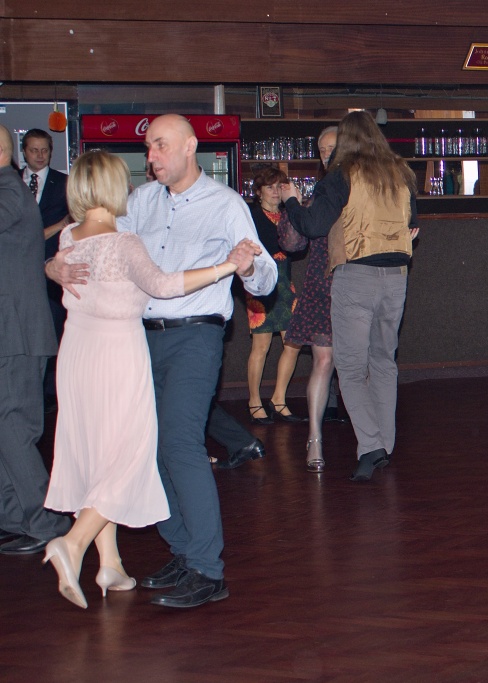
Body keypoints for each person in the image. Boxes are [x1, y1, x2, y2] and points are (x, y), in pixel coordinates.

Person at [47, 114, 277, 608]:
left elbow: (265, 278)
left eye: (160, 146)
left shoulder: (226, 204)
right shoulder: (139, 203)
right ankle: (185, 551)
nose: (151, 157)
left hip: (196, 335)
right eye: (148, 148)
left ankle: (209, 570)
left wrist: (248, 267)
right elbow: (93, 241)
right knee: (144, 449)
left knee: (178, 442)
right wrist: (53, 265)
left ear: (191, 146)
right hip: (137, 341)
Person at [282, 111, 419, 482]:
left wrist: (292, 202)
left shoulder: (341, 174)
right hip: (397, 277)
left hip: (356, 276)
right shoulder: (401, 173)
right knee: (384, 361)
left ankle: (371, 445)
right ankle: (384, 445)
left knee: (350, 366)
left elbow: (313, 226)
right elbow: (412, 223)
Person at [0, 124, 71, 556]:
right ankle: (15, 516)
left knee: (13, 425)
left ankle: (46, 521)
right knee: (6, 426)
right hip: (13, 332)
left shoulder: (8, 191)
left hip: (18, 334)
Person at [280, 125, 348, 473]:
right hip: (323, 284)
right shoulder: (319, 194)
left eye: (331, 147)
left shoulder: (359, 188)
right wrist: (290, 205)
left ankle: (372, 439)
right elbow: (293, 244)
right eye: (321, 149)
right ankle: (315, 438)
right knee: (323, 361)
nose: (326, 154)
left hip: (356, 283)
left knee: (361, 365)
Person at [244, 165, 302, 424]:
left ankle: (279, 399)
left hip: (285, 283)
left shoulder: (289, 214)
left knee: (293, 343)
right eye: (270, 187)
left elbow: (300, 246)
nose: (276, 191)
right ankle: (254, 401)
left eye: (280, 186)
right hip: (260, 284)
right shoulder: (251, 215)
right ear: (259, 191)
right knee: (261, 346)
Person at [22, 129, 71, 412]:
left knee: (54, 330)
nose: (40, 155)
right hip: (18, 273)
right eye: (34, 150)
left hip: (53, 271)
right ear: (24, 152)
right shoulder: (11, 184)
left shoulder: (64, 183)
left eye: (45, 150)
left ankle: (52, 395)